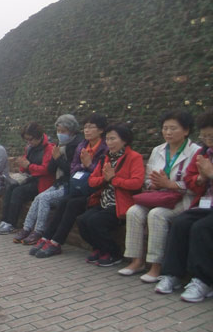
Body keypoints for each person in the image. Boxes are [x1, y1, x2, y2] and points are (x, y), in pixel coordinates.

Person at [120, 110, 200, 281]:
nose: (168, 133)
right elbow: (149, 177)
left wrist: (172, 185)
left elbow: (198, 184)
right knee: (133, 211)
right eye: (165, 128)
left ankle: (156, 265)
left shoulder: (196, 152)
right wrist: (154, 184)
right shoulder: (158, 150)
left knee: (157, 215)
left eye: (173, 128)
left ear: (186, 130)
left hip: (182, 199)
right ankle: (136, 261)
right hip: (158, 196)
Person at [155, 110, 213, 302]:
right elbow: (190, 178)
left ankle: (203, 280)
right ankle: (172, 274)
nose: (207, 140)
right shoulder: (204, 152)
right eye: (204, 136)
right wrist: (201, 177)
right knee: (181, 222)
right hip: (204, 204)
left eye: (211, 136)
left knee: (201, 228)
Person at [31, 114, 108, 258]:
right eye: (85, 127)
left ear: (101, 130)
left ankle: (56, 242)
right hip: (79, 186)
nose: (87, 130)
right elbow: (73, 168)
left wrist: (89, 166)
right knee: (65, 201)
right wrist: (84, 167)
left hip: (95, 190)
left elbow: (102, 171)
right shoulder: (82, 145)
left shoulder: (104, 148)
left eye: (91, 127)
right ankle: (47, 237)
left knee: (72, 204)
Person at [76, 122, 145, 266]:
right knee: (82, 220)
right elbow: (92, 181)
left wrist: (114, 179)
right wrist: (105, 179)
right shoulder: (105, 158)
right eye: (107, 139)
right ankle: (100, 248)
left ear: (124, 140)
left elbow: (137, 183)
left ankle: (114, 253)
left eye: (113, 139)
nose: (109, 143)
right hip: (103, 201)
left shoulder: (134, 157)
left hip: (121, 203)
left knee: (95, 221)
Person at [13, 115, 82, 245]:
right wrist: (54, 159)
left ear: (72, 131)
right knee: (39, 197)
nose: (60, 134)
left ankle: (39, 231)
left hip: (69, 184)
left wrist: (58, 158)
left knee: (44, 198)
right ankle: (27, 228)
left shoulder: (77, 145)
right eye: (58, 131)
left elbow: (71, 171)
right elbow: (51, 168)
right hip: (59, 182)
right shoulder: (59, 144)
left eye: (63, 131)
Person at [0, 122, 54, 235]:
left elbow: (47, 169)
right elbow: (25, 165)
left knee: (18, 192)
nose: (29, 142)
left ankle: (11, 223)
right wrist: (22, 166)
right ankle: (5, 220)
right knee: (11, 186)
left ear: (39, 136)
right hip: (29, 178)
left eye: (31, 139)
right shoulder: (30, 148)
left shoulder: (49, 148)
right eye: (26, 140)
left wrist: (29, 166)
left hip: (41, 182)